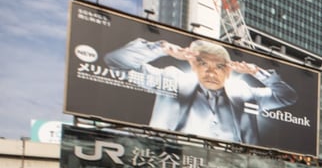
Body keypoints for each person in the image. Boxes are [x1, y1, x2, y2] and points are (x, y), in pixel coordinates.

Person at [104, 38, 298, 145]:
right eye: (203, 63)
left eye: (219, 66)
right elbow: (116, 63)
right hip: (174, 162)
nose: (211, 71)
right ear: (192, 64)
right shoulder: (172, 79)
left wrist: (258, 72)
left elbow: (287, 96)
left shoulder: (244, 92)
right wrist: (160, 48)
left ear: (229, 70)